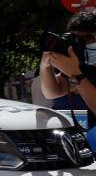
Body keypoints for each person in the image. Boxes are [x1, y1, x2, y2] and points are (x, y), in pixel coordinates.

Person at [37, 9, 96, 143]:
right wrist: (45, 66)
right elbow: (52, 92)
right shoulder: (84, 68)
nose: (80, 45)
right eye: (76, 40)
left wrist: (76, 74)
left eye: (87, 38)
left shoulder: (77, 71)